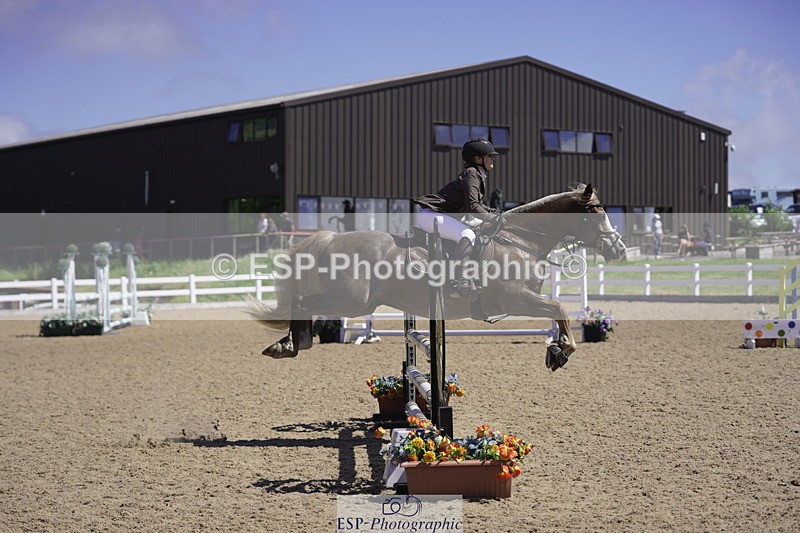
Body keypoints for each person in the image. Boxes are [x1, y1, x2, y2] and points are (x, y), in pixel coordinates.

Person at [412, 138, 500, 297]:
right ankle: (459, 282)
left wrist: (496, 213)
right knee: (467, 235)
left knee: (472, 234)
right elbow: (473, 207)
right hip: (431, 215)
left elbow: (477, 205)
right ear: (478, 159)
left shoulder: (477, 175)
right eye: (490, 156)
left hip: (437, 215)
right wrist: (492, 218)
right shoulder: (472, 173)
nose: (493, 159)